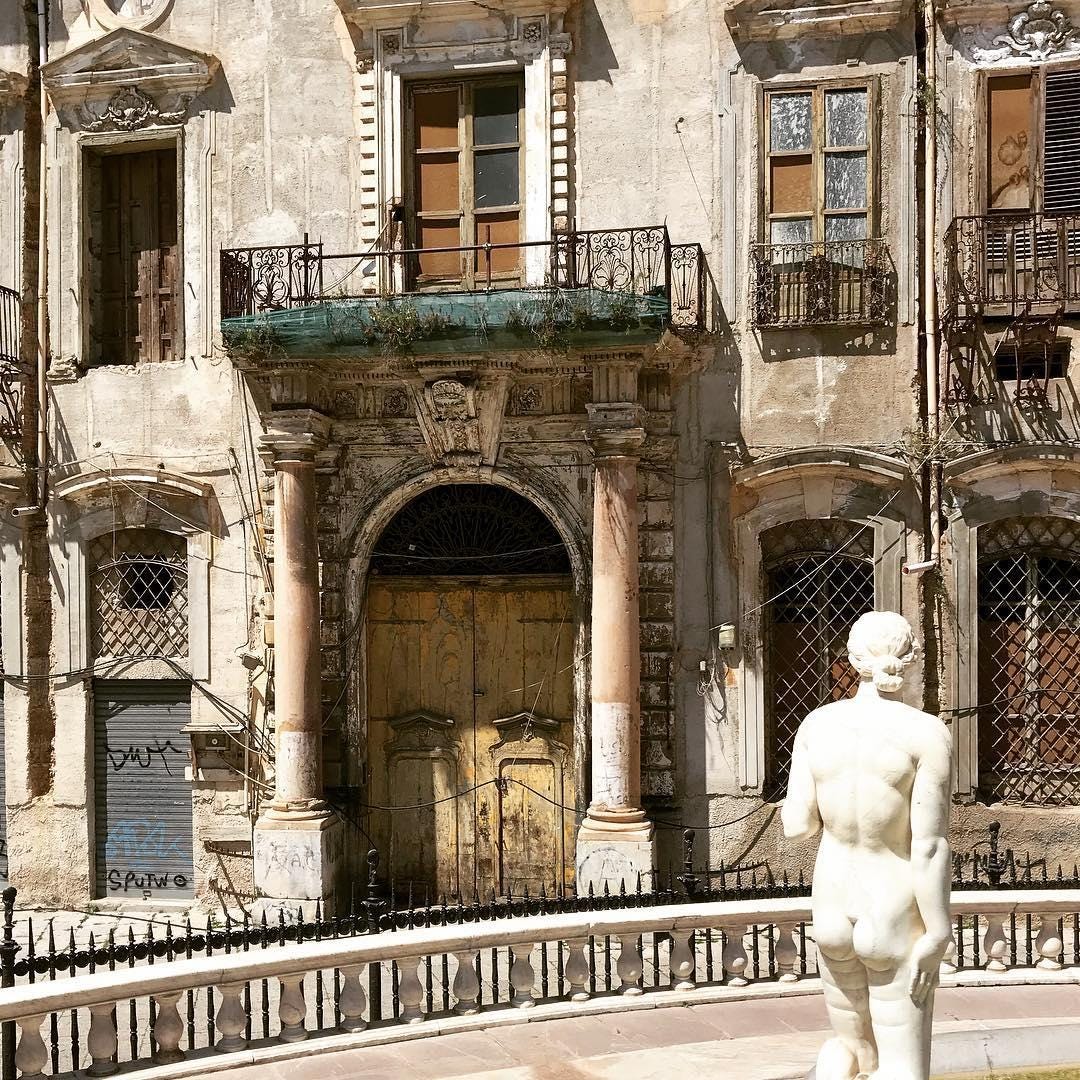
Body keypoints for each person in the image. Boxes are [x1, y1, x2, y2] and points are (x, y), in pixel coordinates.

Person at [782, 611, 953, 1080]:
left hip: (832, 903)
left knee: (849, 1054)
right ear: (913, 661)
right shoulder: (927, 734)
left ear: (853, 661)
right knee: (902, 1070)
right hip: (891, 903)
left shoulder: (817, 725)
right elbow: (930, 846)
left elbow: (796, 826)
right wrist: (938, 932)